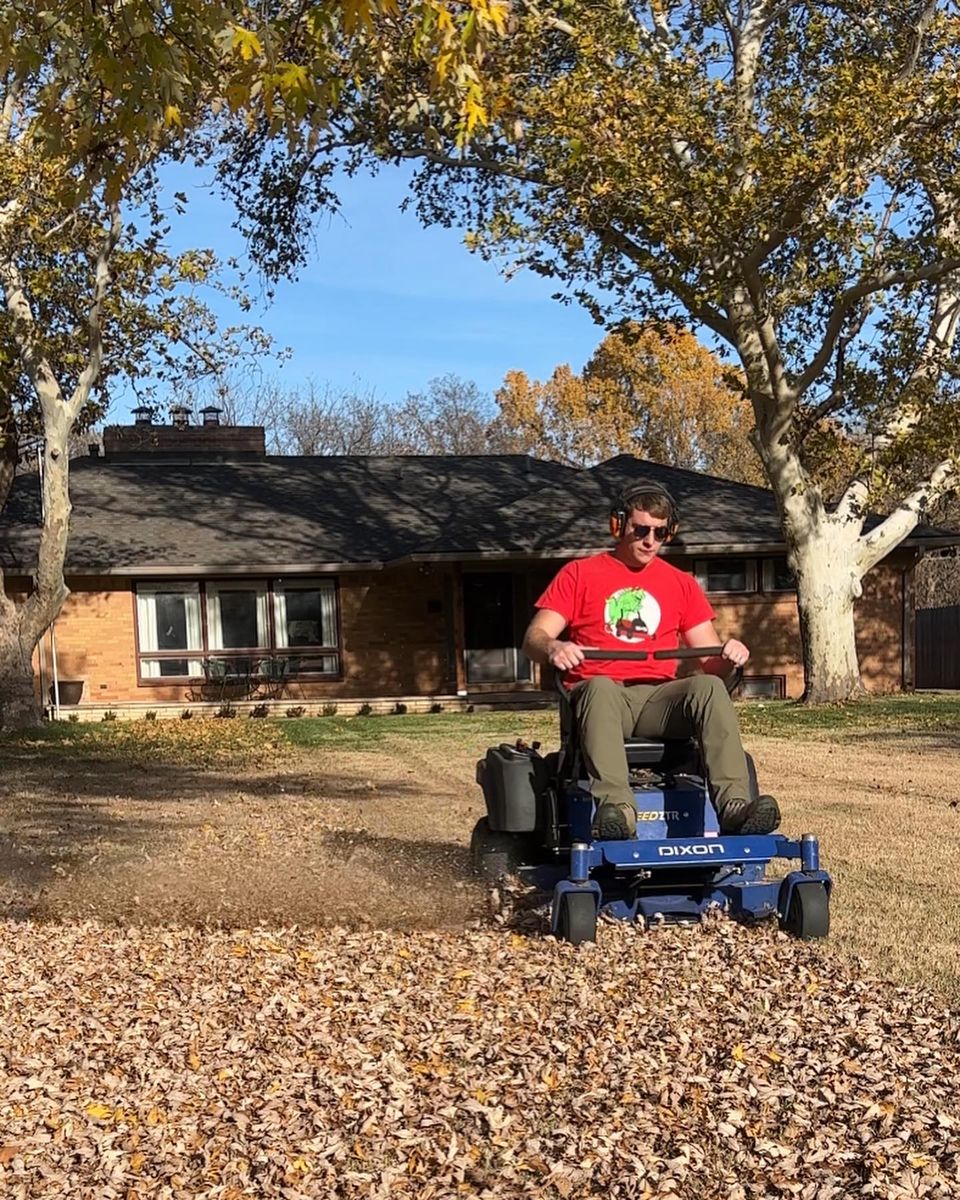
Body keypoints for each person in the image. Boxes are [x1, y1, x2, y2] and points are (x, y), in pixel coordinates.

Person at [521, 479, 781, 839]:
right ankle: (619, 814)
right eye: (641, 529)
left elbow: (710, 663)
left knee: (707, 688)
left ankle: (735, 808)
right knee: (597, 687)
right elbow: (535, 637)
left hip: (658, 701)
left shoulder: (681, 584)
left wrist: (730, 657)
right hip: (604, 697)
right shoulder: (579, 575)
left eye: (659, 533)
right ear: (618, 525)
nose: (649, 541)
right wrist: (553, 647)